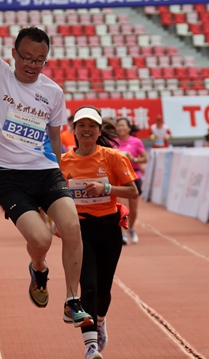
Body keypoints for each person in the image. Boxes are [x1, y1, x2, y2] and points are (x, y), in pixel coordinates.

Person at [0, 0, 91, 327]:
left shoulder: (53, 92)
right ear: (14, 54)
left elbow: (55, 136)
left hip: (46, 171)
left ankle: (72, 300)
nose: (33, 65)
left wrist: (63, 168)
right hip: (10, 177)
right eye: (27, 58)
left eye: (40, 60)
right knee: (41, 240)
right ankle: (39, 268)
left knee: (72, 228)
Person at [62, 107, 138, 359]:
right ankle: (90, 346)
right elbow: (52, 197)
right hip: (80, 230)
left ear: (99, 130)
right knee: (89, 287)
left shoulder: (113, 158)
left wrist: (106, 188)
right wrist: (54, 222)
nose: (86, 130)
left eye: (92, 126)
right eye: (81, 125)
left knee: (103, 290)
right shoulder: (63, 162)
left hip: (108, 229)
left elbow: (133, 191)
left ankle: (101, 321)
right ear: (73, 130)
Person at [115, 117, 146, 245]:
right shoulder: (112, 142)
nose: (121, 128)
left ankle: (131, 228)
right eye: (118, 126)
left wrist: (133, 159)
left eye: (123, 125)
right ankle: (123, 233)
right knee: (122, 207)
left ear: (129, 128)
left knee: (133, 209)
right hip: (118, 178)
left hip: (134, 176)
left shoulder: (136, 141)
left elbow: (145, 158)